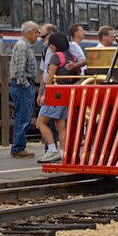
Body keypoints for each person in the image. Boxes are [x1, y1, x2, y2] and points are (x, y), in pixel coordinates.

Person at [36, 33, 82, 163]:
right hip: (66, 94)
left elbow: (50, 77)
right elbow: (77, 77)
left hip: (55, 94)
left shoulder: (56, 57)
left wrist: (45, 94)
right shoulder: (71, 57)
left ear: (54, 45)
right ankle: (63, 153)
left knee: (40, 123)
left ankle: (52, 150)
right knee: (61, 126)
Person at [9, 22, 40, 158]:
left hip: (23, 86)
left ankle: (18, 147)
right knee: (23, 117)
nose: (38, 35)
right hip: (22, 86)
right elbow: (20, 70)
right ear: (29, 32)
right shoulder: (22, 46)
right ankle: (18, 148)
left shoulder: (25, 46)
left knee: (23, 116)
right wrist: (26, 85)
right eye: (36, 32)